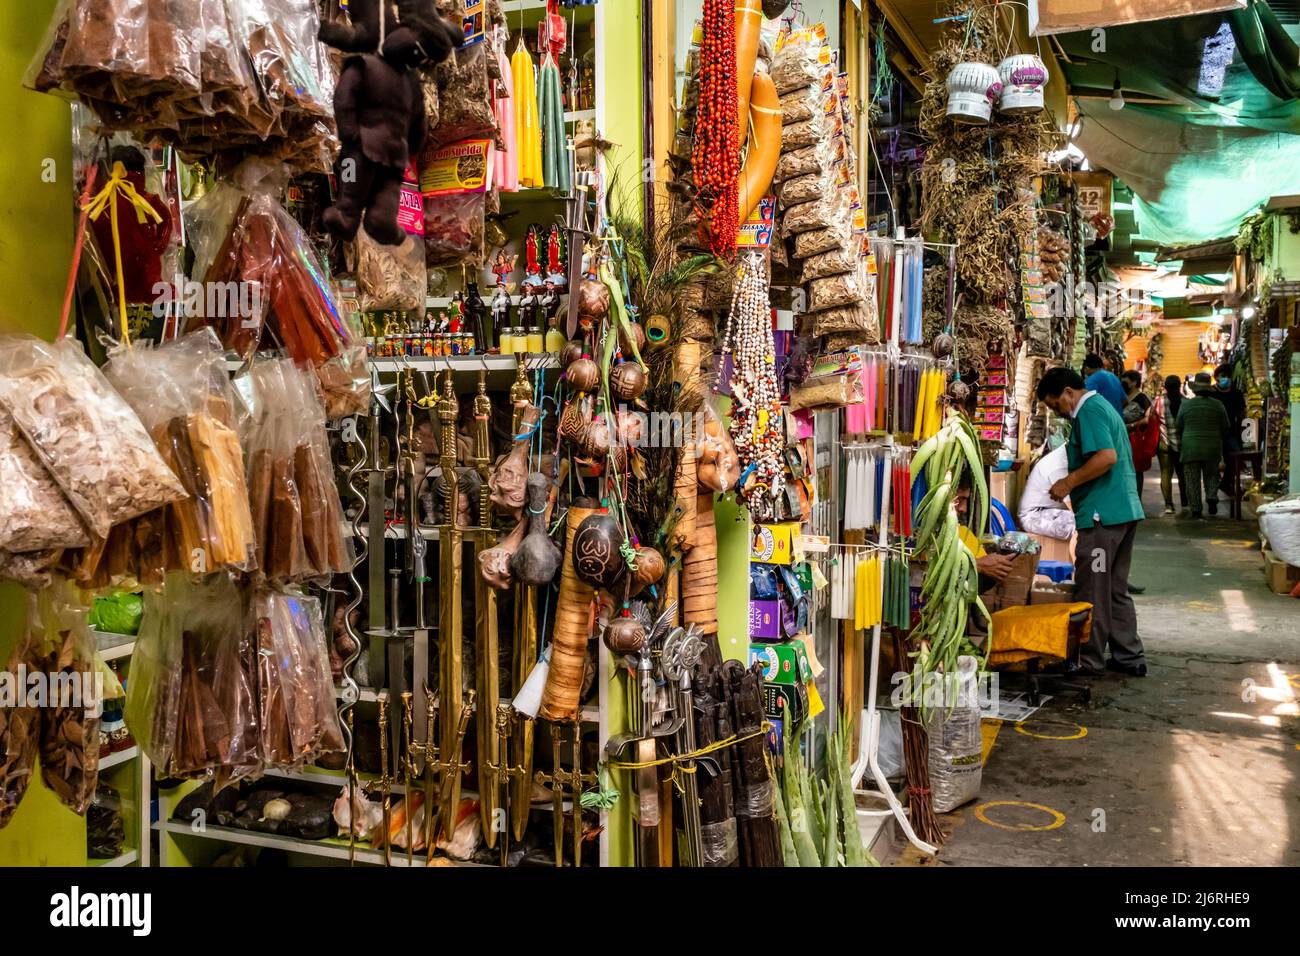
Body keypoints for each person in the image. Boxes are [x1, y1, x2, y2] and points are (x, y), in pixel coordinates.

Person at [1035, 366, 1147, 677]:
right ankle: (1129, 656)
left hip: (1103, 519)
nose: (1057, 412)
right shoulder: (1104, 408)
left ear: (1068, 393)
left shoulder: (1089, 411)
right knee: (1114, 588)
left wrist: (1068, 483)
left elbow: (1106, 457)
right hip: (1121, 512)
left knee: (1093, 589)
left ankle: (1090, 658)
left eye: (1055, 405)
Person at [1176, 372, 1231, 519]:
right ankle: (1212, 496)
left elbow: (1178, 425)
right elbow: (1226, 427)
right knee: (1212, 475)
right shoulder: (1218, 405)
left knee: (1192, 478)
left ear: (1194, 389)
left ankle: (1195, 508)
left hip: (1190, 447)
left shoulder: (1186, 405)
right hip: (1212, 446)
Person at [953, 472, 1016, 584]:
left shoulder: (963, 533)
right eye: (959, 499)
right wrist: (978, 565)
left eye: (965, 500)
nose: (963, 509)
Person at [1018, 444, 1076, 541]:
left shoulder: (1071, 454)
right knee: (1085, 526)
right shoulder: (1060, 465)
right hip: (1035, 516)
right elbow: (1075, 508)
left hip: (1054, 510)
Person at [1120, 370, 1156, 502]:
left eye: (1125, 380)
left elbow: (1147, 419)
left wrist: (1131, 426)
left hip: (1135, 439)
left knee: (1136, 470)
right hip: (1120, 438)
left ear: (1134, 382)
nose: (1122, 382)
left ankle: (1136, 501)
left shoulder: (1142, 398)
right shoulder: (1121, 395)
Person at [1154, 375, 1186, 516]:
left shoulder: (1158, 401)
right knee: (1183, 474)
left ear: (1165, 387)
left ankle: (1168, 504)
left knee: (1165, 474)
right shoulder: (1186, 402)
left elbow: (1151, 419)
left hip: (1164, 442)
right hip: (1182, 443)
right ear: (1179, 386)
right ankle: (1185, 501)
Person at [1209, 363, 1246, 455]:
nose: (1226, 378)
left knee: (1235, 460)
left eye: (1228, 376)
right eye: (1223, 376)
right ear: (1216, 377)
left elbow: (1242, 413)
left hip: (1232, 434)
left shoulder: (1237, 393)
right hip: (1214, 435)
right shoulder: (1211, 393)